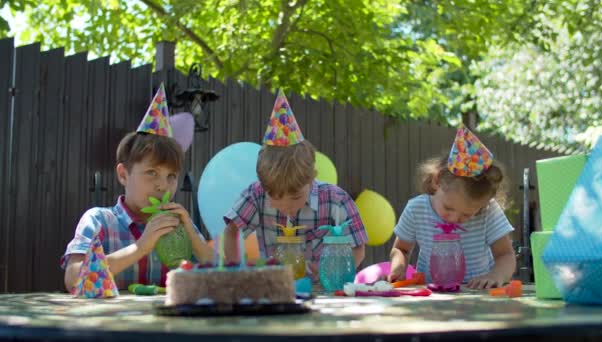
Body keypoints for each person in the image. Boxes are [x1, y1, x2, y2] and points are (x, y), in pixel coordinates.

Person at [61, 84, 213, 291]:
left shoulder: (180, 225)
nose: (163, 185)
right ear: (123, 175)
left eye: (171, 176)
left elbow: (218, 275)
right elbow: (73, 279)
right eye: (152, 173)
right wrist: (140, 248)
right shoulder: (99, 221)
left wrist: (192, 236)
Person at [223, 90, 368, 279]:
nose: (286, 205)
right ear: (264, 187)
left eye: (296, 196)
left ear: (310, 179)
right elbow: (231, 230)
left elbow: (358, 247)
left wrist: (336, 275)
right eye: (275, 197)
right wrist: (236, 270)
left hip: (325, 294)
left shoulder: (335, 200)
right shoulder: (256, 195)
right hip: (276, 289)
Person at [388, 124, 516, 289]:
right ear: (437, 181)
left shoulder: (488, 212)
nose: (455, 219)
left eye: (468, 214)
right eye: (448, 208)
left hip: (478, 296)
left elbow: (505, 255)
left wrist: (496, 275)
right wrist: (398, 267)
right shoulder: (416, 209)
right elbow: (401, 249)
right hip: (432, 295)